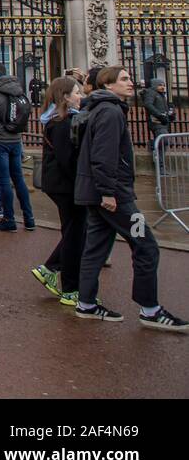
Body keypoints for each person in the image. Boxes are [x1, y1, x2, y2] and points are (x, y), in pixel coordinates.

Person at [74, 67, 186, 330]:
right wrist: (107, 192)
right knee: (146, 245)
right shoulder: (111, 112)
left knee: (95, 248)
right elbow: (103, 156)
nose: (131, 83)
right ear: (108, 85)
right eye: (124, 79)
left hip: (96, 193)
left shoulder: (99, 109)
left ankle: (86, 304)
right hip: (114, 197)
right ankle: (150, 310)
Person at [32, 77, 85, 306]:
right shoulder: (62, 123)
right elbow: (67, 160)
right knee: (74, 234)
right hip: (65, 185)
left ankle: (52, 270)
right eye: (76, 92)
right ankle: (66, 284)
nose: (80, 96)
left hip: (60, 184)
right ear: (65, 96)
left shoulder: (58, 120)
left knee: (73, 232)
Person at [0, 62, 35, 232]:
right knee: (19, 179)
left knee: (4, 181)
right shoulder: (17, 87)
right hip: (16, 139)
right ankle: (29, 219)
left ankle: (9, 219)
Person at [141, 78, 173, 149]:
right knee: (164, 140)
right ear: (155, 85)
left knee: (163, 144)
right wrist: (159, 116)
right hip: (156, 122)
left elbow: (163, 108)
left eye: (164, 85)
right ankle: (152, 145)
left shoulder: (161, 95)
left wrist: (170, 115)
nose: (163, 87)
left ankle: (160, 159)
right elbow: (148, 105)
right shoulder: (151, 93)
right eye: (160, 85)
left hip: (163, 122)